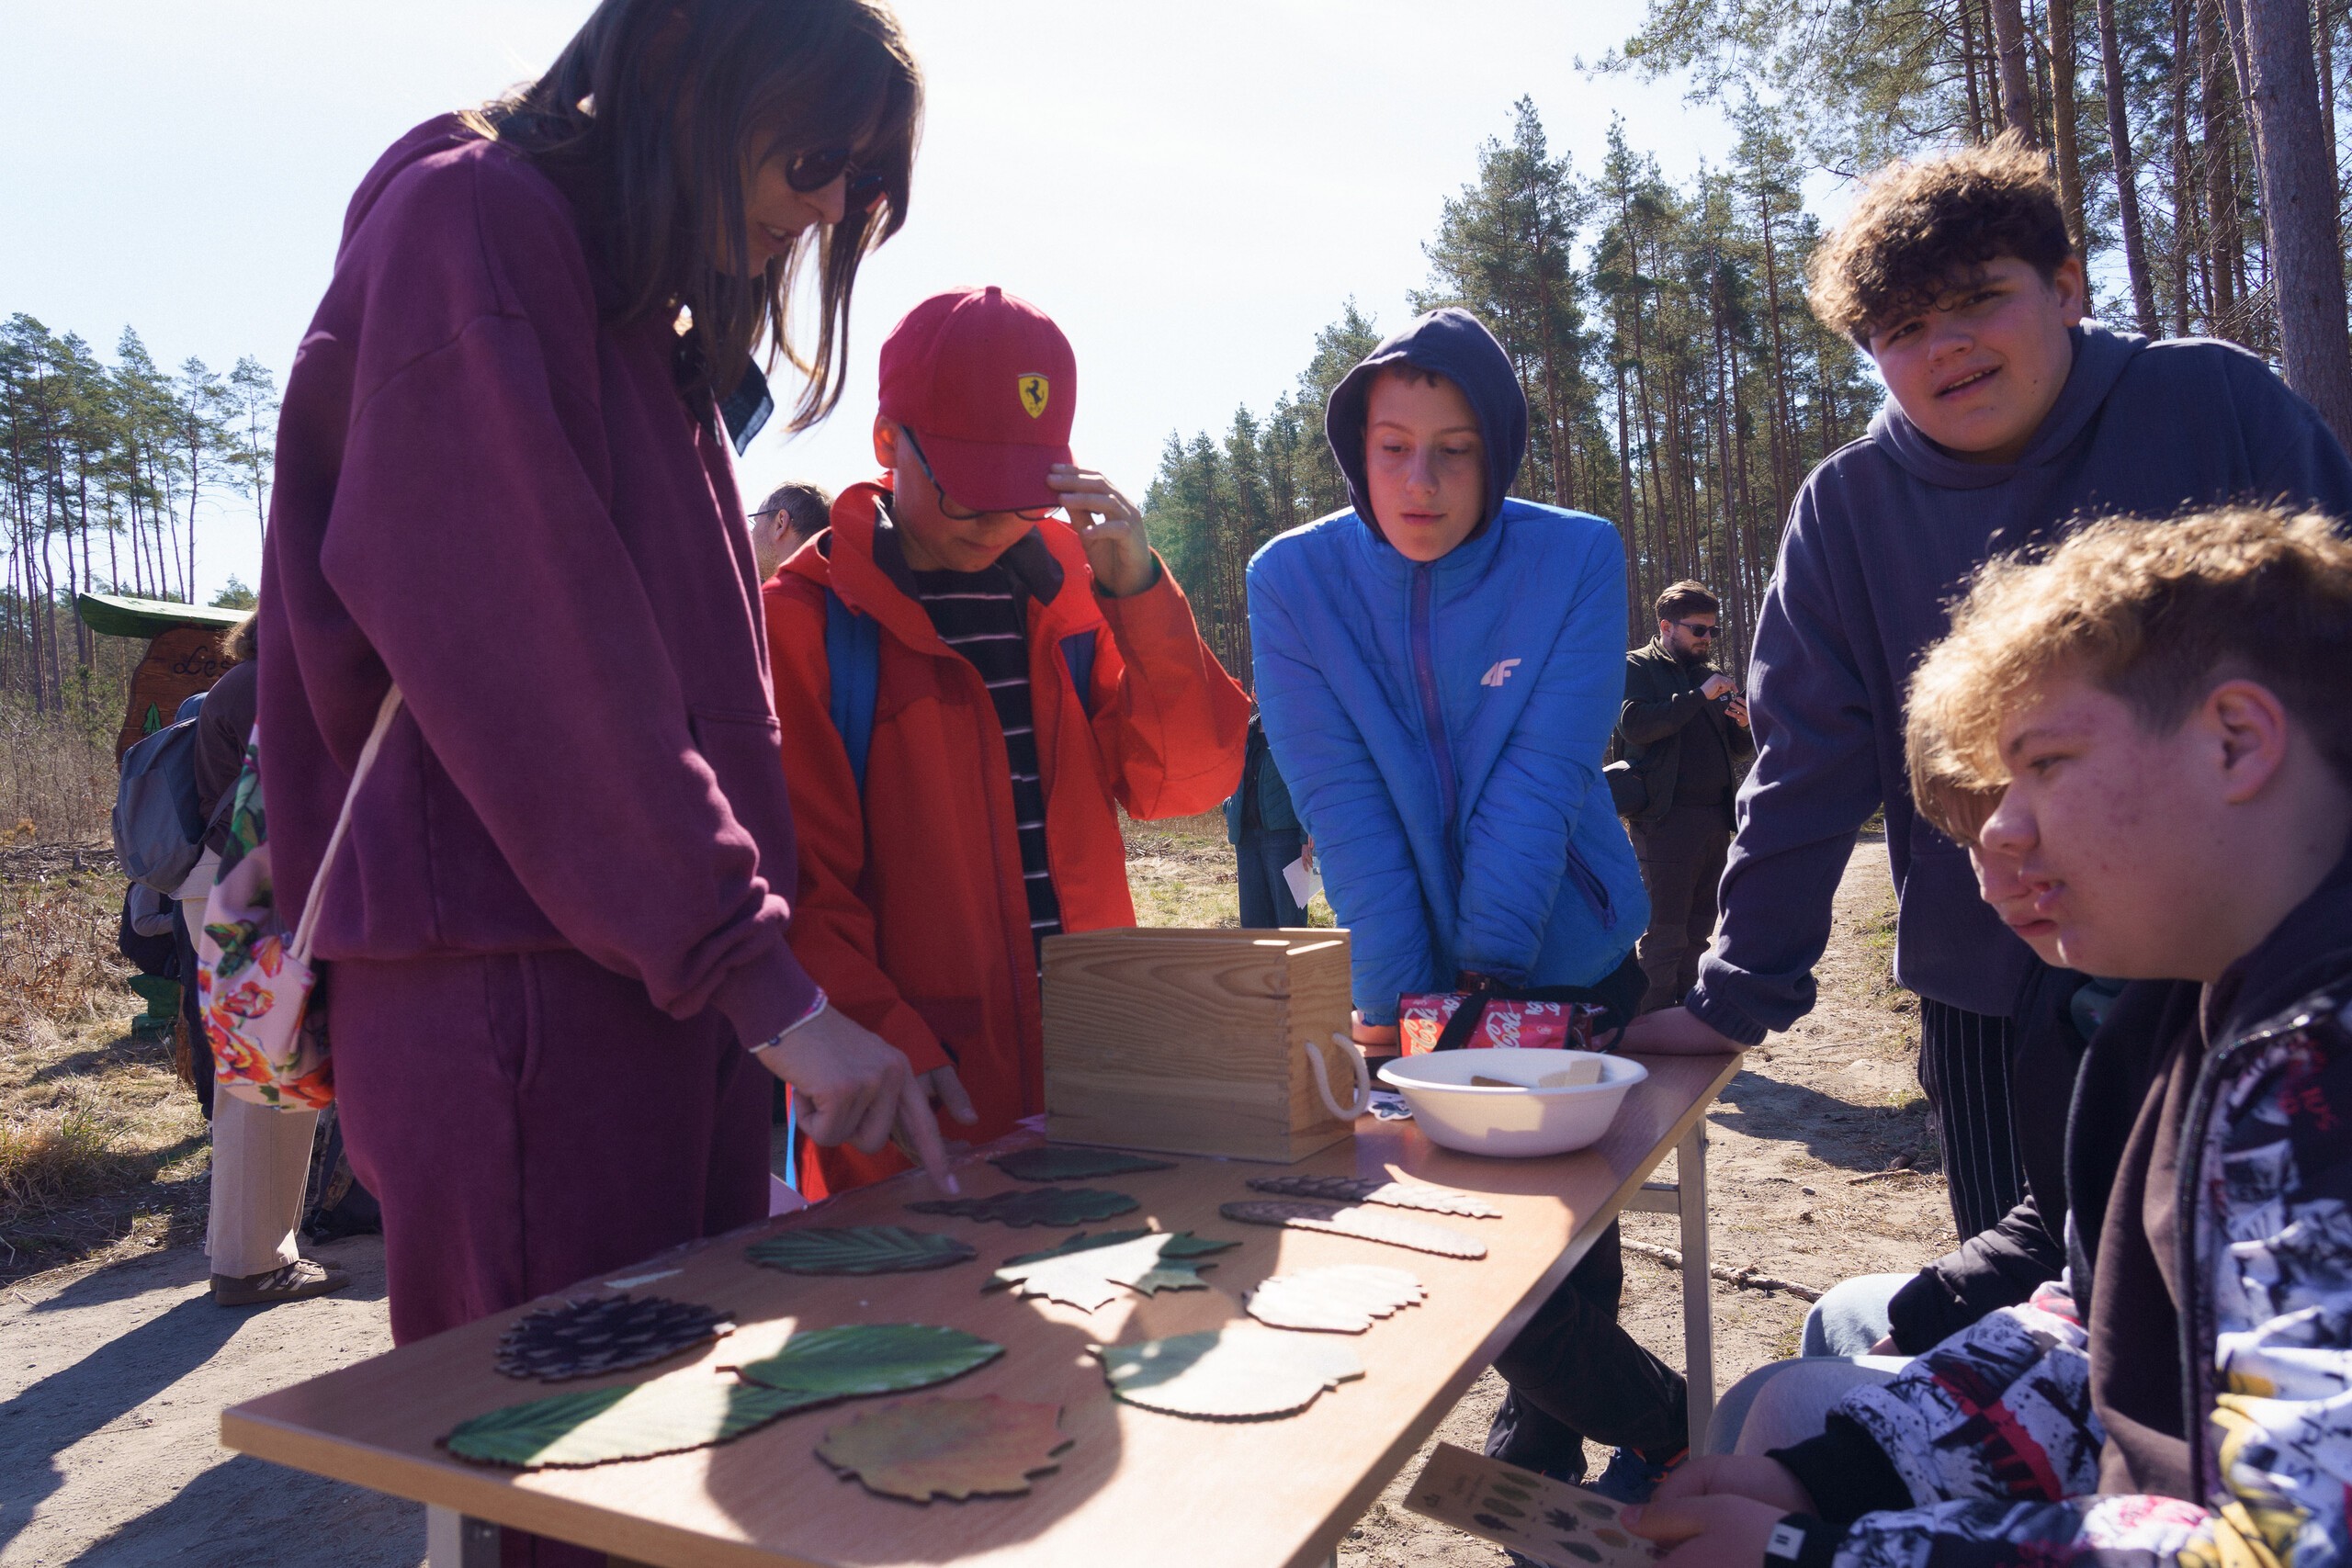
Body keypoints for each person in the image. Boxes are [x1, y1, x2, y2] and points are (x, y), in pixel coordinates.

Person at [258, 2, 955, 1507]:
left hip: (642, 983)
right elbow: (535, 650)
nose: (828, 208)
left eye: (861, 183)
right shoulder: (475, 222)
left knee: (670, 1485)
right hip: (520, 993)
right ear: (696, 68)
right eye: (818, 157)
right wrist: (762, 980)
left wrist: (757, 979)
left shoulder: (631, 303)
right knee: (574, 1499)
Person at [1623, 136, 2352, 1245]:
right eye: (1901, 327)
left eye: (1976, 299)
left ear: (2065, 287)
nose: (1946, 345)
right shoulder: (1846, 510)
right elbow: (1804, 768)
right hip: (1990, 979)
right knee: (2023, 1280)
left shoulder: (2210, 401)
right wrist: (1734, 998)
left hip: (2265, 952)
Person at [1629, 506, 2352, 1568]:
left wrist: (1817, 1554)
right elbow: (2099, 1331)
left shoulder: (2316, 1067)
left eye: (2044, 763)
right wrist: (1832, 1481)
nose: (1999, 836)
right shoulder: (2184, 1015)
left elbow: (2290, 1544)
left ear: (2234, 741)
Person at [1249, 307, 1696, 1502]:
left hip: (1568, 948)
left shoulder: (1574, 556)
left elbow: (1541, 775)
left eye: (1456, 450)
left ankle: (1581, 1449)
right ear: (1355, 449)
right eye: (1393, 447)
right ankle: (1643, 1426)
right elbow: (1344, 807)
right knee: (1477, 1249)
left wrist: (1487, 979)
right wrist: (1408, 1010)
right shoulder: (1293, 581)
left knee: (1561, 1234)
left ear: (1497, 451)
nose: (1422, 481)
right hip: (1407, 967)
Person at [764, 284, 1250, 1197]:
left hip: (1101, 1086)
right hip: (911, 1115)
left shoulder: (1079, 593)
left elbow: (1185, 782)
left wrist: (1141, 594)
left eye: (1023, 496)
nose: (995, 524)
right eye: (968, 492)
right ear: (887, 442)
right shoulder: (803, 627)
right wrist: (882, 1035)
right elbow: (796, 890)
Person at [181, 615, 349, 1307]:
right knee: (264, 1074)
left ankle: (246, 1250)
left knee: (256, 1070)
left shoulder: (237, 681)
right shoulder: (267, 685)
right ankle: (250, 1263)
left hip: (225, 881)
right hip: (250, 883)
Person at [1617, 581, 1754, 1013]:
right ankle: (1648, 1027)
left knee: (1698, 931)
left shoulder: (1706, 674)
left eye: (1713, 630)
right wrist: (1699, 697)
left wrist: (1744, 725)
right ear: (1666, 626)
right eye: (1698, 629)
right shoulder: (1636, 666)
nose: (1707, 638)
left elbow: (1736, 750)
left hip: (1714, 820)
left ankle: (1685, 1018)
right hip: (1664, 821)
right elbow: (1635, 726)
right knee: (1665, 933)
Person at [1226, 709, 1311, 928]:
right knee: (1253, 926)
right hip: (1246, 839)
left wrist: (1306, 836)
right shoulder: (1244, 733)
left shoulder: (1294, 731)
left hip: (1284, 840)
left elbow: (1308, 784)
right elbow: (1229, 774)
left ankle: (1295, 954)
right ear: (1254, 695)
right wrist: (1229, 806)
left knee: (1290, 921)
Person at [750, 479, 832, 579]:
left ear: (780, 523)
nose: (750, 534)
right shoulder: (839, 584)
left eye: (756, 522)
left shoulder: (781, 588)